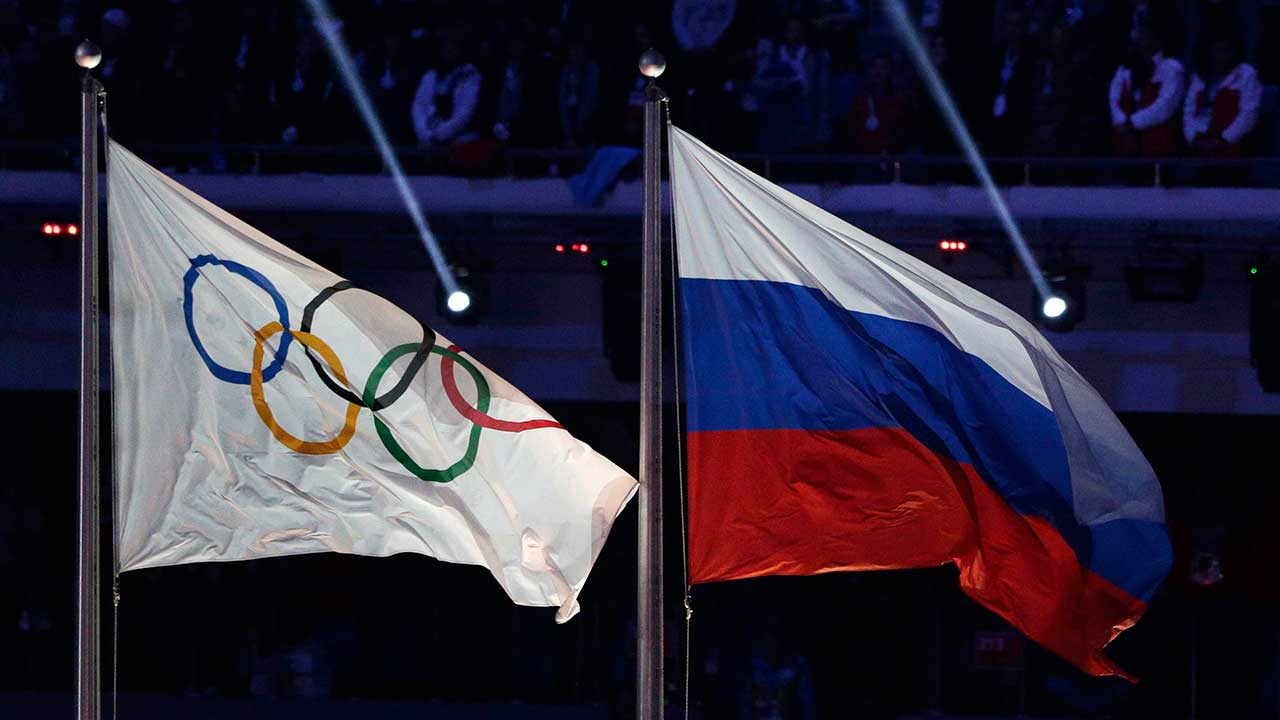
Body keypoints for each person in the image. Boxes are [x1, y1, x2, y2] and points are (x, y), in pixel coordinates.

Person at [1109, 22, 1185, 157]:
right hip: (1125, 141)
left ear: (1158, 36)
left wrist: (1132, 124)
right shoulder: (1125, 67)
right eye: (1140, 32)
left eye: (1146, 32)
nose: (1141, 36)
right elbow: (1114, 98)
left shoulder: (1172, 68)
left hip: (1158, 145)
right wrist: (1122, 123)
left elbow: (1165, 107)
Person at [1183, 33, 1261, 158]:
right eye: (1217, 50)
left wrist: (1222, 140)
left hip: (1233, 151)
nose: (1221, 55)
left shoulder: (1247, 74)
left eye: (1226, 50)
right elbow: (1189, 111)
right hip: (1200, 149)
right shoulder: (1200, 76)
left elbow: (1249, 115)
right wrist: (1194, 139)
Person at [411, 33, 482, 149]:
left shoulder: (469, 74)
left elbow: (465, 113)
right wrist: (424, 134)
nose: (449, 51)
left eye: (452, 47)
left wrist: (440, 135)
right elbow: (418, 107)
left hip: (461, 142)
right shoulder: (431, 75)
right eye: (446, 47)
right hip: (429, 140)